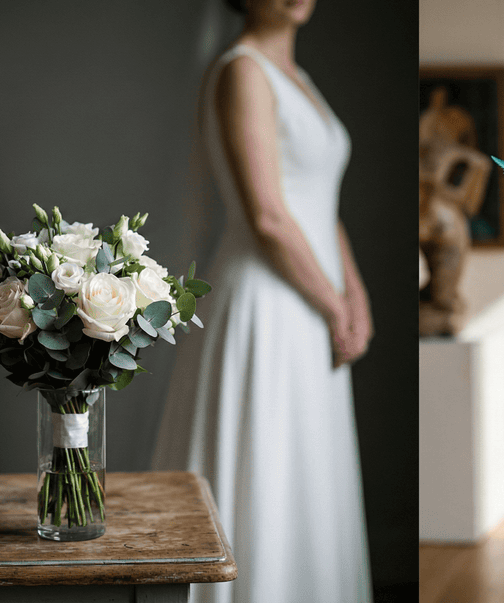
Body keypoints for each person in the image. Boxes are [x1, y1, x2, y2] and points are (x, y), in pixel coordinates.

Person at [151, 0, 374, 601]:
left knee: (303, 473)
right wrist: (334, 305)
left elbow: (321, 204)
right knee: (263, 468)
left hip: (312, 297)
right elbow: (269, 215)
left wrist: (355, 293)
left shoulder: (299, 77)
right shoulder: (242, 70)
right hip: (269, 307)